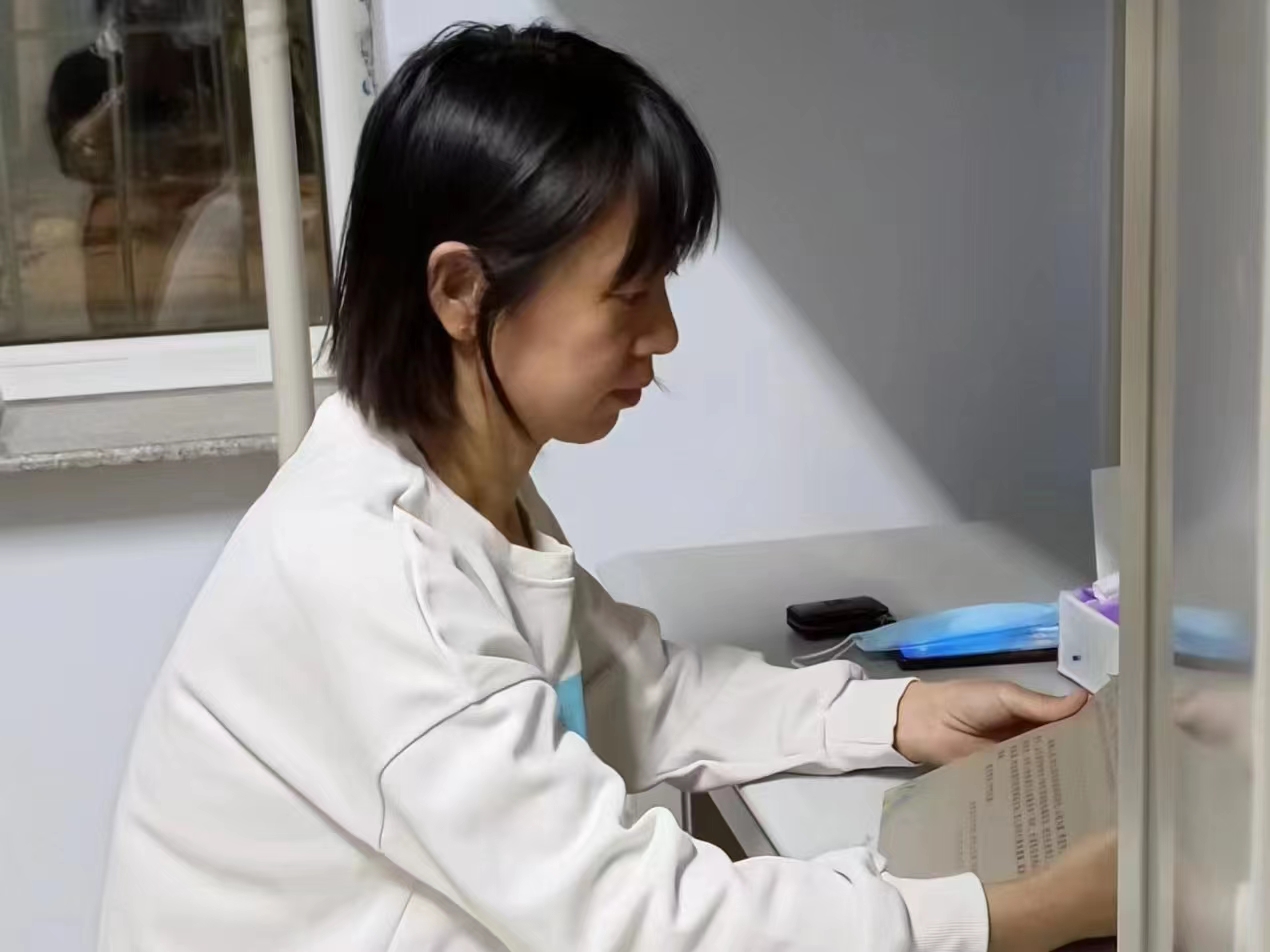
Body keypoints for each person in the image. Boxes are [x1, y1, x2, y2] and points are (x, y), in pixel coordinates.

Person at [98, 22, 1116, 952]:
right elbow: (632, 918)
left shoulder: (451, 486)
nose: (663, 333)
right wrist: (1015, 913)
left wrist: (894, 716)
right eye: (628, 292)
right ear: (461, 292)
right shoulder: (371, 568)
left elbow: (638, 694)